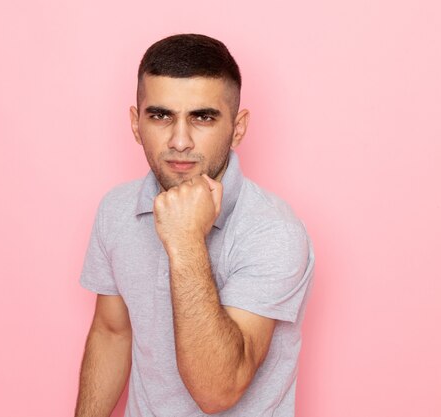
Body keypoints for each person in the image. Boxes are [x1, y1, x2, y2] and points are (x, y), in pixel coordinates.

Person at [75, 33, 314, 417]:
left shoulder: (273, 232)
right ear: (136, 124)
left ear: (238, 127)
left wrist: (184, 240)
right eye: (161, 115)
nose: (180, 140)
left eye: (203, 117)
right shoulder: (115, 209)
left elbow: (218, 391)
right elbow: (111, 332)